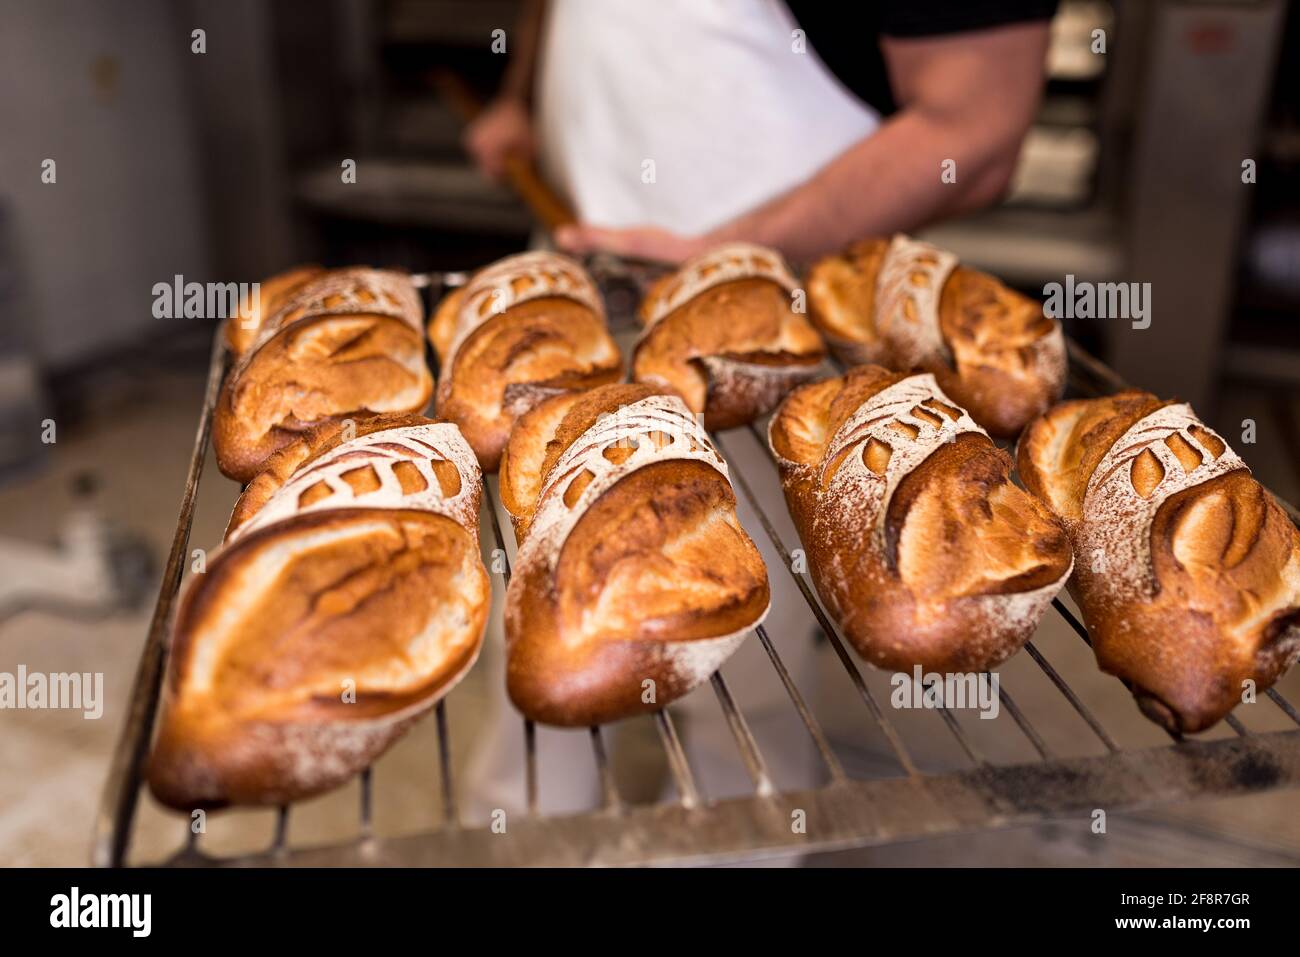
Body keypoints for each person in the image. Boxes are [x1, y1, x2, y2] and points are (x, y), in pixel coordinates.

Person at [458, 0, 1060, 824]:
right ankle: (522, 834)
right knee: (543, 611)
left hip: (759, 326)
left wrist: (737, 256)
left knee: (743, 651)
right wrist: (522, 95)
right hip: (570, 273)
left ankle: (743, 845)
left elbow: (977, 132)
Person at [466, 0, 1059, 263]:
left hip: (778, 330)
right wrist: (520, 97)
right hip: (572, 250)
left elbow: (974, 133)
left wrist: (723, 260)